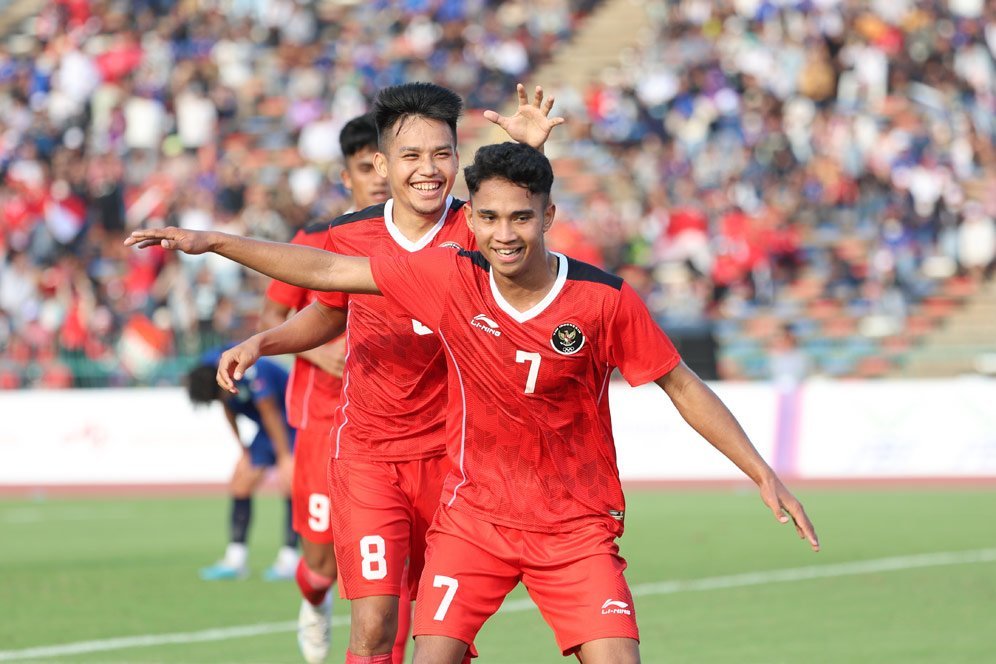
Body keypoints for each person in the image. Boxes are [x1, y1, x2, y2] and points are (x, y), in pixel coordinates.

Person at [128, 142, 820, 663]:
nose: (504, 234)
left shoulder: (604, 300)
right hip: (475, 523)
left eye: (521, 217)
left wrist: (760, 469)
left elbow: (680, 383)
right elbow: (331, 272)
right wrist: (212, 241)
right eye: (487, 217)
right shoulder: (448, 277)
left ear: (550, 215)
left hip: (574, 528)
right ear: (473, 221)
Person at [187, 82, 561, 664]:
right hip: (369, 455)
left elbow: (530, 247)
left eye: (441, 154)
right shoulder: (349, 234)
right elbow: (325, 312)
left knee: (444, 636)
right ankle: (314, 605)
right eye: (411, 156)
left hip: (457, 463)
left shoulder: (478, 230)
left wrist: (534, 156)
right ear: (384, 163)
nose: (428, 169)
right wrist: (265, 341)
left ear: (458, 159)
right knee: (374, 624)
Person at [259, 113, 390, 664]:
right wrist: (321, 348)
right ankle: (314, 602)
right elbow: (272, 313)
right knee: (320, 564)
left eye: (386, 163)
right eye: (366, 167)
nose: (380, 177)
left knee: (398, 568)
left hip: (394, 424)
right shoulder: (315, 240)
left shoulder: (421, 238)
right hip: (325, 419)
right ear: (346, 176)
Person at [186, 351, 299, 582]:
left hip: (291, 419)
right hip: (268, 427)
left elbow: (271, 413)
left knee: (290, 484)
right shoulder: (212, 370)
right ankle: (236, 560)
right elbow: (226, 407)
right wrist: (243, 450)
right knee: (240, 483)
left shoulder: (252, 372)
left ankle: (290, 559)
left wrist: (285, 457)